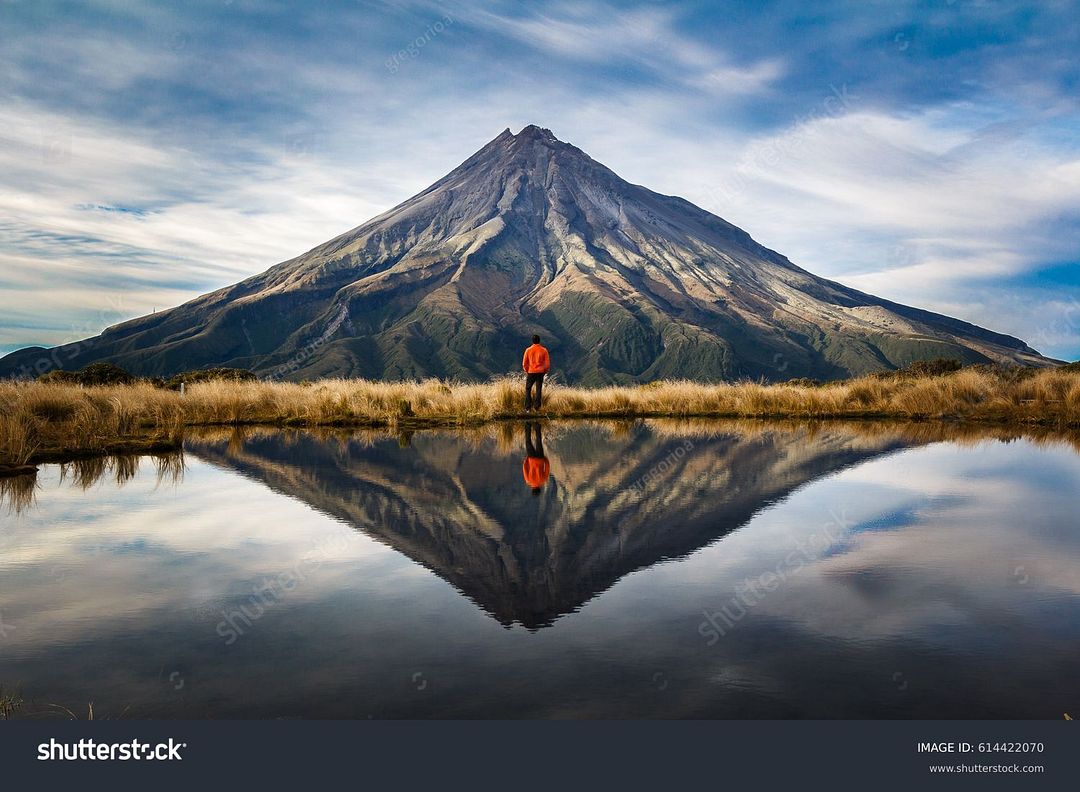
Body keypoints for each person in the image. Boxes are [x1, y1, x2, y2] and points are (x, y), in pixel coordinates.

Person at [522, 334, 550, 412]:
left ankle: (528, 408)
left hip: (531, 372)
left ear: (532, 341)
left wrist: (527, 370)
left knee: (528, 389)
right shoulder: (544, 350)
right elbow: (547, 364)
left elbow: (524, 363)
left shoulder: (528, 350)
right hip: (540, 372)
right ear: (539, 341)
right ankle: (537, 407)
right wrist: (545, 371)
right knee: (538, 389)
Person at [522, 422, 549, 495]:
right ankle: (528, 425)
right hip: (531, 458)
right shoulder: (528, 481)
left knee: (538, 441)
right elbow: (525, 468)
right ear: (532, 489)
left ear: (539, 489)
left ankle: (537, 426)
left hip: (540, 458)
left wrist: (545, 459)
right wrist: (526, 460)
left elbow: (547, 468)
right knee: (528, 442)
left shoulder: (543, 480)